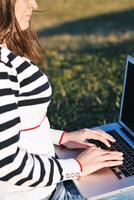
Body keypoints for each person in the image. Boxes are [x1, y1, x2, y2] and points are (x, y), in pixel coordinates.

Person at [0, 0, 124, 199]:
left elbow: (11, 131)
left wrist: (62, 138)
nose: (34, 4)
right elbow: (5, 163)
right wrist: (77, 166)